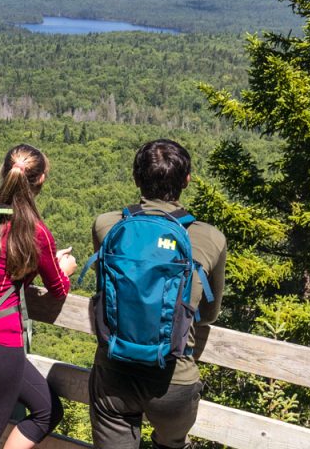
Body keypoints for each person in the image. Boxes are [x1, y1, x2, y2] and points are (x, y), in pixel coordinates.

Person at [88, 139, 227, 449]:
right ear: (186, 180)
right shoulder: (210, 238)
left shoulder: (106, 226)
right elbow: (210, 313)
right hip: (174, 379)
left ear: (137, 178)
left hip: (114, 373)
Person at [0, 144, 76, 449]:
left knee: (48, 410)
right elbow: (58, 289)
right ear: (42, 180)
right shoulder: (35, 232)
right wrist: (65, 268)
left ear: (3, 171)